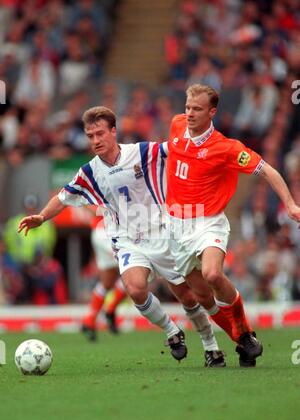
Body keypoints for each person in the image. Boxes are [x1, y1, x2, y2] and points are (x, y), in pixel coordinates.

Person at [18, 106, 225, 367]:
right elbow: (63, 197)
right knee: (136, 289)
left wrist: (204, 139)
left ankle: (211, 346)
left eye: (100, 134)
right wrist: (42, 216)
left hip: (163, 234)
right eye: (90, 135)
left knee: (189, 297)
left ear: (113, 132)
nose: (95, 140)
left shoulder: (141, 152)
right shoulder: (89, 172)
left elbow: (176, 149)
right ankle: (172, 332)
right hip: (128, 240)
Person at [165, 83, 300, 366]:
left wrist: (289, 203)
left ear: (212, 112)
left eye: (197, 109)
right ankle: (243, 339)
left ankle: (245, 335)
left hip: (208, 223)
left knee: (213, 275)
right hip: (176, 226)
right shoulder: (176, 126)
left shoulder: (225, 148)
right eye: (188, 107)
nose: (189, 113)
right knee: (202, 297)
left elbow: (267, 170)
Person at [81, 214, 127, 340]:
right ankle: (110, 310)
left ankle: (89, 321)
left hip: (100, 231)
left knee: (108, 282)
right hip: (111, 231)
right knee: (135, 273)